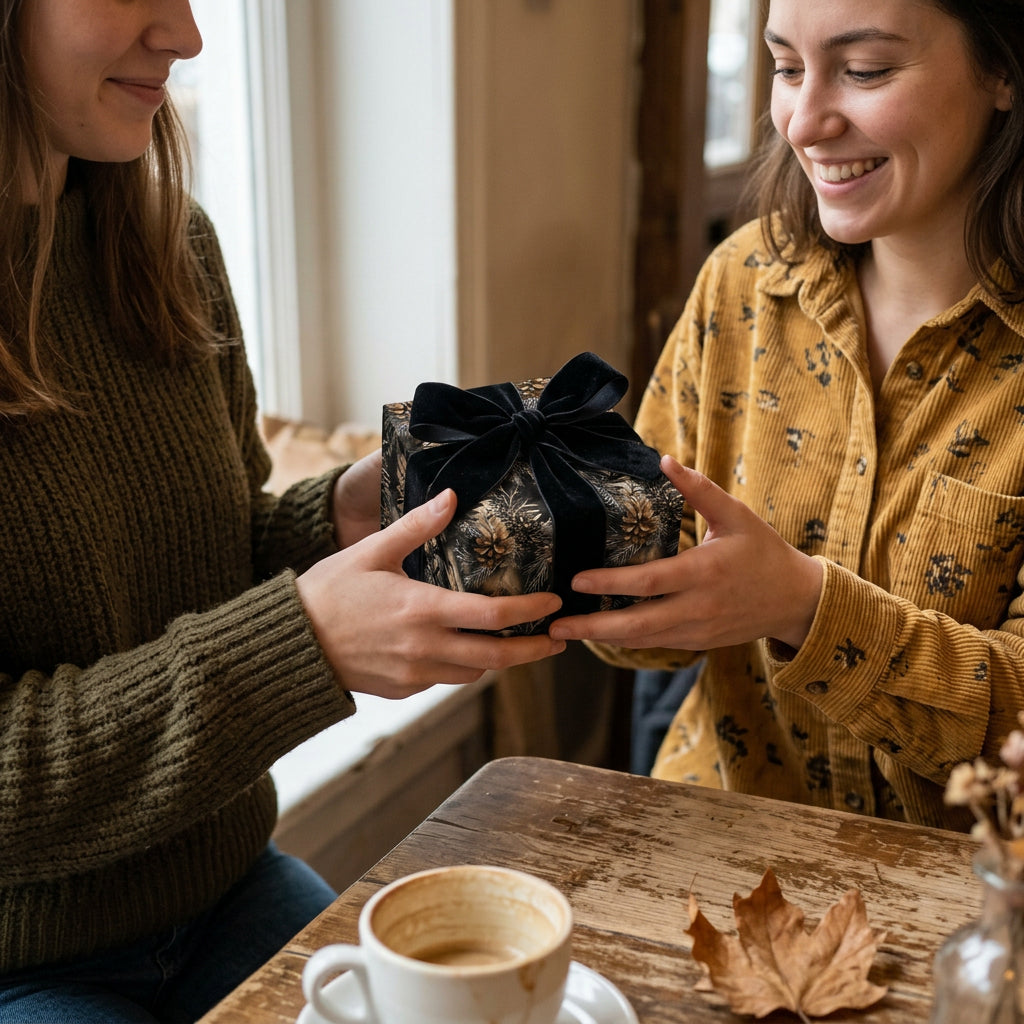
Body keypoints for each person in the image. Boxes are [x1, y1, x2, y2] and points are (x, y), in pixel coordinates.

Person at [0, 2, 565, 1021]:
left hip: (227, 890)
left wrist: (350, 514)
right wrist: (299, 640)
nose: (186, 34)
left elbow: (205, 564)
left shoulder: (170, 243)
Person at [550, 0, 1024, 832]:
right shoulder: (743, 280)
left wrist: (802, 606)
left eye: (866, 70)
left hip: (974, 905)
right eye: (786, 67)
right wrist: (563, 556)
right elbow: (647, 634)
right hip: (717, 843)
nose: (804, 124)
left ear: (1004, 70)